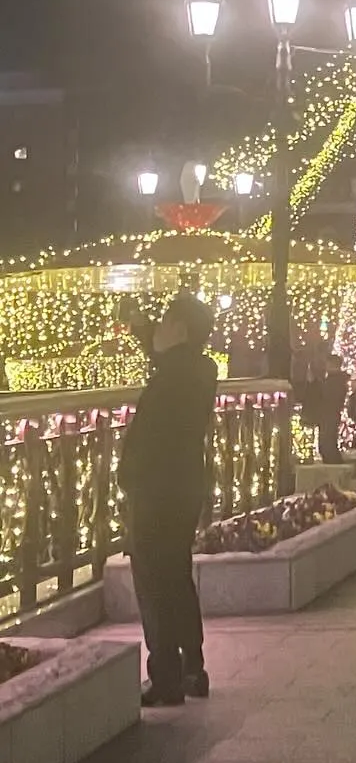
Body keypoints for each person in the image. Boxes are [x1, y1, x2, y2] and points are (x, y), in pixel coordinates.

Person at [118, 288, 218, 706]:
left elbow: (150, 437)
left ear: (180, 328)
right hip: (185, 485)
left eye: (164, 322)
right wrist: (142, 328)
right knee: (176, 575)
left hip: (156, 490)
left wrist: (127, 476)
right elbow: (166, 356)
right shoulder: (198, 370)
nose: (157, 331)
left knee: (153, 581)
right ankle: (194, 668)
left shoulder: (172, 378)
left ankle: (165, 678)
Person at [315, 353, 350, 465]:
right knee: (327, 440)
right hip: (328, 413)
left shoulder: (335, 380)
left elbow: (330, 397)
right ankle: (333, 462)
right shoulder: (334, 379)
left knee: (327, 441)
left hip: (329, 413)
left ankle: (334, 464)